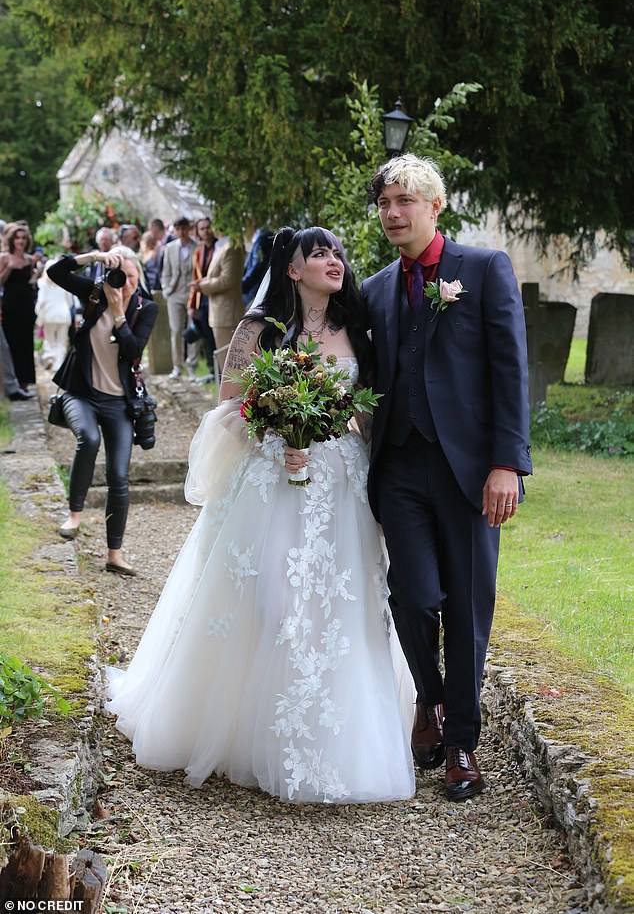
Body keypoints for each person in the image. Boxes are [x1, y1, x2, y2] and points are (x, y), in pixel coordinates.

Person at [106, 226, 416, 804]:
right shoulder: (259, 330)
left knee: (338, 604)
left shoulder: (358, 329)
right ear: (292, 270)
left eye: (336, 253)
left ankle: (336, 736)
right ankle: (248, 730)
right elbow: (229, 409)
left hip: (340, 485)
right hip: (273, 479)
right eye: (318, 253)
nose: (333, 261)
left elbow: (368, 412)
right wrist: (277, 428)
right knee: (270, 599)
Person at [360, 154, 532, 801]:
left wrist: (506, 461)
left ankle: (460, 740)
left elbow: (510, 371)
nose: (393, 213)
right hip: (399, 465)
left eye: (405, 201)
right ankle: (428, 701)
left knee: (465, 608)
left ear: (435, 206)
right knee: (413, 596)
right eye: (385, 203)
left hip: (469, 470)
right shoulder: (375, 289)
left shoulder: (483, 271)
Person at [47, 246, 158, 575]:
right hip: (80, 392)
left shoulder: (145, 308)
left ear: (139, 278)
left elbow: (135, 350)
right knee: (88, 439)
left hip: (119, 403)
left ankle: (114, 553)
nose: (125, 284)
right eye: (119, 276)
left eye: (131, 277)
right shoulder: (95, 294)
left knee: (120, 477)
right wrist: (93, 257)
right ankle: (74, 515)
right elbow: (55, 273)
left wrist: (120, 313)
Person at [0, 222, 43, 389]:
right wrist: (9, 269)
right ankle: (11, 382)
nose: (20, 241)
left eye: (24, 238)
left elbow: (31, 283)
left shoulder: (29, 259)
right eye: (17, 237)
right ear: (12, 240)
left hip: (26, 306)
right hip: (10, 306)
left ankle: (24, 382)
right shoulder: (4, 257)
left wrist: (37, 273)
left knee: (26, 344)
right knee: (11, 342)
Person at [199, 226, 245, 372]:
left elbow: (228, 280)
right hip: (219, 311)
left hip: (227, 311)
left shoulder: (232, 247)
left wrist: (203, 285)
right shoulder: (222, 246)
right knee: (223, 359)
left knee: (230, 362)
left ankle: (231, 394)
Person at [160, 216, 197, 379]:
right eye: (178, 229)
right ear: (175, 230)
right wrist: (166, 290)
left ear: (189, 229)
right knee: (176, 330)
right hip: (174, 294)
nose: (181, 232)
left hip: (192, 293)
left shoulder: (197, 247)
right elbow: (165, 271)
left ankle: (193, 367)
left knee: (192, 330)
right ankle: (177, 366)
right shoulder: (169, 248)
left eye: (184, 229)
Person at [187, 216, 216, 381]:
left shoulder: (219, 247)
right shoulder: (198, 251)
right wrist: (191, 304)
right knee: (206, 336)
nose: (206, 231)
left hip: (216, 296)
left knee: (216, 335)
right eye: (202, 228)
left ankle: (220, 372)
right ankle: (213, 371)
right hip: (202, 299)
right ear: (198, 231)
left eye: (207, 227)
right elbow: (195, 277)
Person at [35, 258, 75, 372]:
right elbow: (70, 301)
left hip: (49, 315)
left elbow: (41, 300)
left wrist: (38, 313)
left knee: (49, 339)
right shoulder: (65, 283)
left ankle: (50, 358)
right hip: (63, 314)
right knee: (62, 341)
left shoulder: (42, 283)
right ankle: (59, 364)